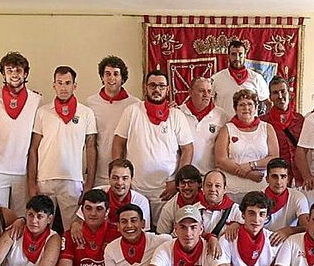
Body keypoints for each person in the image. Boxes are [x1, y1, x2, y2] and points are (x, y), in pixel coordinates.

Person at [112, 70, 194, 221]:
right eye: (152, 85)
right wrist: (122, 177)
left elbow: (187, 149)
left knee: (163, 231)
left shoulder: (176, 115)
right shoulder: (132, 111)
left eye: (161, 86)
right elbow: (118, 142)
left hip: (165, 190)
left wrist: (177, 181)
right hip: (135, 187)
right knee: (135, 229)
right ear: (145, 88)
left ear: (167, 89)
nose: (157, 89)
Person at [28, 65, 98, 231]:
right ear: (54, 85)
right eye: (59, 83)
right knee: (41, 228)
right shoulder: (42, 112)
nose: (63, 87)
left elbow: (91, 147)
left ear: (74, 85)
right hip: (45, 179)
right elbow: (33, 148)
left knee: (73, 229)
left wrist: (89, 183)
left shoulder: (86, 113)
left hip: (72, 180)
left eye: (67, 83)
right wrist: (31, 183)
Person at [0, 51, 42, 214]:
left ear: (25, 73)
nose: (14, 74)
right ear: (3, 74)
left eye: (18, 70)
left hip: (22, 171)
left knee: (20, 216)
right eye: (9, 70)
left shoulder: (36, 99)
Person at [214, 89, 279, 202]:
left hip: (261, 189)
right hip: (233, 191)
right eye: (241, 105)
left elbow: (274, 158)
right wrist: (248, 174)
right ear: (235, 108)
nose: (246, 108)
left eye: (250, 104)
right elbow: (220, 161)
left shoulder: (267, 128)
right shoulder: (227, 129)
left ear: (256, 107)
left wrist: (251, 165)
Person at [85, 55, 141, 186]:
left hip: (124, 175)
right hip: (98, 173)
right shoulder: (90, 103)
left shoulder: (135, 104)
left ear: (122, 78)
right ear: (102, 77)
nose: (111, 78)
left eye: (116, 74)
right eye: (107, 74)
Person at [71, 159, 151, 240]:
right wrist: (75, 224)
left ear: (131, 179)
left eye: (125, 178)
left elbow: (143, 232)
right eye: (115, 178)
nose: (119, 182)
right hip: (99, 239)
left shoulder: (141, 201)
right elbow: (79, 220)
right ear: (109, 178)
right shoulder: (98, 192)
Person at [262, 76, 306, 186]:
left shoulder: (300, 119)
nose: (280, 96)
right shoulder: (263, 122)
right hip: (276, 180)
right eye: (275, 93)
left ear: (289, 93)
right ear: (270, 97)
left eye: (283, 91)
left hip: (300, 178)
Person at [180, 76, 228, 174]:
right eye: (202, 91)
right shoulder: (179, 113)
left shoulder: (221, 116)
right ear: (190, 92)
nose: (206, 95)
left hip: (210, 175)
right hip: (185, 175)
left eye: (209, 91)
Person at [210, 40, 270, 116]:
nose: (237, 58)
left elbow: (268, 103)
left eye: (240, 54)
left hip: (249, 123)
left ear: (245, 55)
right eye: (233, 54)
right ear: (228, 56)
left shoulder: (257, 78)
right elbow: (207, 102)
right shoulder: (216, 78)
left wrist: (261, 121)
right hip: (223, 122)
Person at [260, 158, 309, 242]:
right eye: (274, 176)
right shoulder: (258, 198)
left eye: (283, 177)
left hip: (288, 241)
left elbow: (307, 227)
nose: (279, 182)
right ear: (267, 179)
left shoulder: (297, 197)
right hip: (263, 240)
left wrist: (289, 230)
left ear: (288, 179)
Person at [194, 169, 244, 237]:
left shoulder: (236, 210)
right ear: (203, 187)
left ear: (224, 189)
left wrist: (239, 224)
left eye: (217, 186)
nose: (212, 189)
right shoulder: (194, 209)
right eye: (209, 185)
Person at [155, 165, 203, 234]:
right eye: (183, 183)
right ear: (177, 186)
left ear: (199, 184)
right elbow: (161, 235)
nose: (186, 187)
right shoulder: (168, 208)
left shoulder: (208, 199)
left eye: (191, 182)